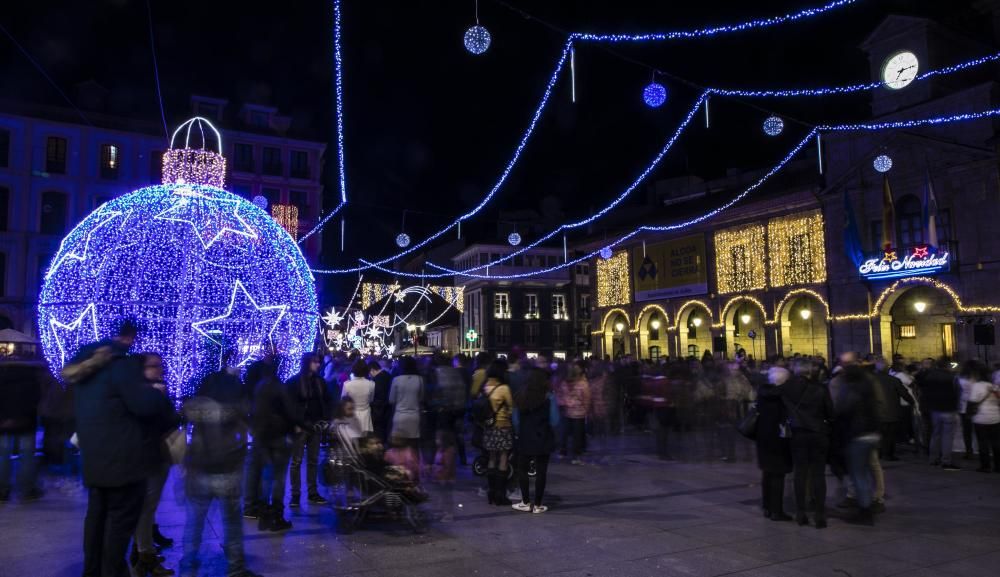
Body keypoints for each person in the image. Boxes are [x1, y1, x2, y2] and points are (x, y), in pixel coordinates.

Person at [65, 318, 173, 577]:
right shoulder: (121, 365)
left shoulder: (84, 370)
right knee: (118, 527)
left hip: (96, 461)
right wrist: (156, 394)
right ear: (128, 338)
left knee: (96, 521)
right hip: (124, 464)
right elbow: (143, 406)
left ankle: (93, 571)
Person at [180, 351, 262, 577]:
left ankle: (188, 568)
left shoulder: (199, 410)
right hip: (228, 469)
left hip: (200, 469)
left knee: (194, 523)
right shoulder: (236, 409)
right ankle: (235, 569)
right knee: (232, 524)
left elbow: (192, 435)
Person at [132, 353, 181, 577]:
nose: (159, 369)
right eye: (153, 366)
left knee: (149, 507)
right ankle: (145, 556)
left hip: (156, 456)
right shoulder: (144, 394)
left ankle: (145, 549)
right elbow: (164, 421)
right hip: (149, 457)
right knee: (146, 508)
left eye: (160, 365)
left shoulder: (155, 390)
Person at [249, 355, 305, 531]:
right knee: (279, 478)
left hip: (262, 437)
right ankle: (276, 515)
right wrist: (301, 425)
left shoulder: (259, 388)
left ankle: (264, 514)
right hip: (279, 436)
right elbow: (291, 412)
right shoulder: (280, 388)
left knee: (267, 476)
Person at [782, 359, 834, 528]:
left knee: (800, 473)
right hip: (818, 433)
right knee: (818, 474)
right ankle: (819, 514)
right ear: (810, 371)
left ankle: (801, 513)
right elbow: (830, 412)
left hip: (798, 434)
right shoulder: (820, 388)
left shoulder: (787, 388)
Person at [836, 365, 881, 526]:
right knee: (866, 472)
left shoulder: (851, 390)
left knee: (858, 474)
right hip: (871, 433)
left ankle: (865, 510)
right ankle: (867, 503)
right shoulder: (868, 388)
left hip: (857, 435)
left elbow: (843, 411)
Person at [285, 353, 331, 508]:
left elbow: (326, 400)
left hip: (315, 425)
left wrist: (325, 420)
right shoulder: (294, 382)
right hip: (300, 426)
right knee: (297, 461)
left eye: (318, 362)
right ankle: (295, 494)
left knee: (312, 460)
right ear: (307, 363)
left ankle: (312, 492)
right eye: (315, 362)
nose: (318, 365)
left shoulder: (319, 381)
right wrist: (294, 424)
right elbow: (289, 405)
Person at [511, 362, 555, 514]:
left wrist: (518, 432)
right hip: (542, 437)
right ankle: (538, 504)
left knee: (522, 469)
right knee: (541, 471)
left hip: (524, 436)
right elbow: (554, 420)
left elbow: (515, 420)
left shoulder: (520, 396)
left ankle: (525, 501)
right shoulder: (548, 397)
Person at [0, 358, 46, 502]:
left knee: (3, 457)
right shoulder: (32, 380)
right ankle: (26, 490)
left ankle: (2, 490)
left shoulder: (2, 379)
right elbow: (37, 400)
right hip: (26, 422)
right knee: (27, 457)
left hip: (3, 423)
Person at [754, 366, 793, 522]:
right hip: (778, 439)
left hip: (763, 438)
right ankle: (777, 510)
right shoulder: (781, 397)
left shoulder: (762, 393)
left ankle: (767, 507)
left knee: (767, 473)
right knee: (778, 474)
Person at [917, 358, 961, 470]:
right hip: (948, 408)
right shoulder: (952, 377)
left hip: (934, 409)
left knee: (935, 434)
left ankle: (933, 459)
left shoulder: (930, 376)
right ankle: (946, 460)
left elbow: (924, 391)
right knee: (947, 436)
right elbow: (957, 393)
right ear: (947, 365)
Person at [481, 360, 513, 506]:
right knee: (503, 457)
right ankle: (501, 494)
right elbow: (511, 407)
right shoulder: (504, 388)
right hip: (503, 425)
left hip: (489, 427)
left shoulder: (486, 387)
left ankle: (491, 492)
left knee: (492, 457)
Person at [388, 357, 424, 480]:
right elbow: (421, 398)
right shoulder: (419, 379)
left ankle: (399, 473)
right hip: (414, 415)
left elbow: (391, 399)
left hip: (400, 415)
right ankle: (415, 474)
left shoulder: (396, 380)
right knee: (414, 446)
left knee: (399, 446)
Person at [873, 357, 915, 462]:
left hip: (876, 412)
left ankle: (879, 453)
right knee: (890, 434)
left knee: (879, 434)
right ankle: (888, 454)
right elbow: (904, 394)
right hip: (892, 411)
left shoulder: (870, 380)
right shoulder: (894, 380)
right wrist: (912, 402)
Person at [560, 361, 591, 465]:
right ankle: (576, 456)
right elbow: (586, 398)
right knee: (577, 435)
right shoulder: (583, 384)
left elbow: (562, 395)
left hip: (568, 411)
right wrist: (587, 410)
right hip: (579, 413)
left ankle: (563, 451)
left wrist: (566, 403)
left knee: (565, 433)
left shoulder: (565, 383)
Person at [970, 369, 1000, 472]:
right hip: (995, 418)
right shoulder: (994, 387)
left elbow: (972, 401)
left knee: (983, 443)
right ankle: (998, 466)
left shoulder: (976, 386)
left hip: (980, 418)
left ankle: (985, 466)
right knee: (996, 443)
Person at [342, 359, 375, 433]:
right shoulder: (371, 384)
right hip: (365, 417)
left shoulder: (347, 384)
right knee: (363, 442)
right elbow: (371, 400)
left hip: (350, 416)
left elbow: (343, 401)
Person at [368, 360, 391, 441]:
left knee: (378, 435)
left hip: (378, 411)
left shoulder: (376, 380)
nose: (369, 375)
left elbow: (377, 396)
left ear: (372, 370)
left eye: (369, 373)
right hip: (388, 410)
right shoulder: (388, 375)